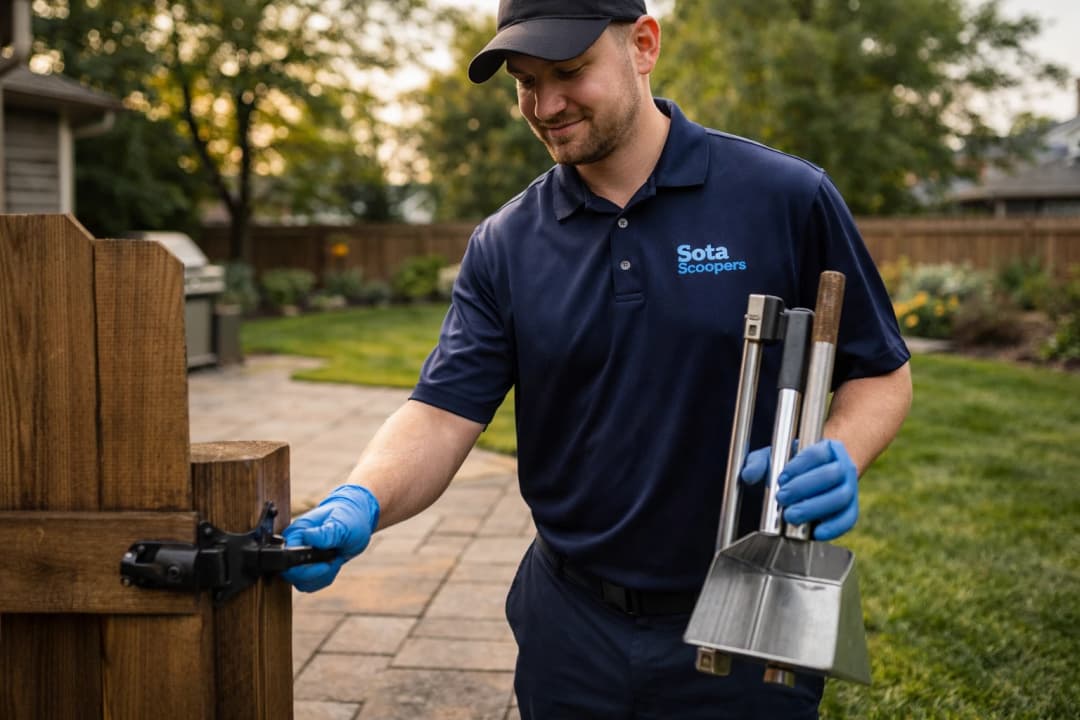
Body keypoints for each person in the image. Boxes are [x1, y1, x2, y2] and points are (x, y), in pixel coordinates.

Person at [282, 1, 913, 717]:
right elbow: (442, 412)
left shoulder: (784, 197)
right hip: (568, 623)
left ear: (643, 46)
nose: (544, 105)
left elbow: (880, 371)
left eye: (570, 71)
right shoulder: (506, 243)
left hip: (748, 607)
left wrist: (839, 453)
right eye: (524, 81)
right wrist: (360, 498)